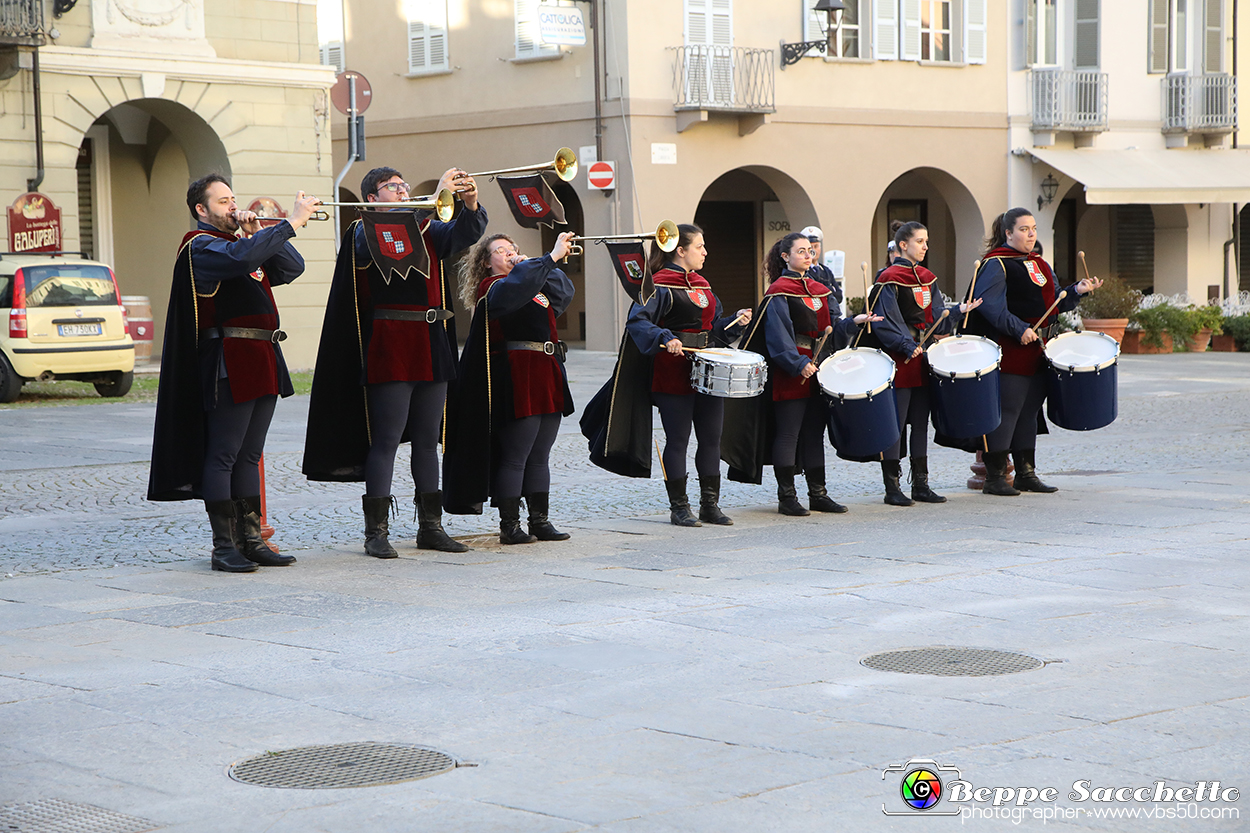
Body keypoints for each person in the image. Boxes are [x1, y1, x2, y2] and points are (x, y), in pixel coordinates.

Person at [302, 166, 487, 556]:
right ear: (372, 198)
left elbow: (462, 236)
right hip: (390, 343)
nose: (403, 191)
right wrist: (434, 200)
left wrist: (469, 205)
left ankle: (430, 527)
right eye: (393, 187)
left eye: (405, 186)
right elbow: (385, 247)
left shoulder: (429, 226)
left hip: (431, 340)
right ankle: (377, 533)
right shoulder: (361, 231)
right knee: (385, 439)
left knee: (426, 440)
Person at [148, 174, 318, 572]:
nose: (232, 206)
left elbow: (293, 267)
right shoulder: (201, 247)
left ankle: (251, 538)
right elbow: (240, 261)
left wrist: (260, 232)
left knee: (250, 454)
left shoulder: (242, 245)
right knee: (224, 454)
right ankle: (223, 546)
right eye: (223, 201)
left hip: (261, 355)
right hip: (229, 358)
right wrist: (289, 223)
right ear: (201, 210)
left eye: (232, 198)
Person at [723, 232, 878, 515]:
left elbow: (833, 328)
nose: (809, 255)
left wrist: (854, 322)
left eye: (810, 251)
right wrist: (797, 364)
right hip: (791, 371)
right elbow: (777, 338)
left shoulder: (819, 289)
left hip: (821, 369)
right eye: (802, 251)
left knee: (814, 433)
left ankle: (818, 494)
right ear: (786, 257)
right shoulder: (779, 292)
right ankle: (787, 497)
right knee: (789, 433)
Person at [442, 232, 577, 544]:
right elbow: (514, 290)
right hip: (519, 375)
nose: (508, 253)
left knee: (541, 454)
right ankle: (510, 525)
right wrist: (548, 259)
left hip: (547, 371)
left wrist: (537, 265)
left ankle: (540, 520)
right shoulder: (492, 288)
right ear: (487, 264)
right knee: (517, 454)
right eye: (499, 251)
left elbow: (562, 291)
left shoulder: (532, 282)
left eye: (512, 249)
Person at [963, 208, 1102, 495]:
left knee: (1029, 411)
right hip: (1011, 348)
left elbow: (1055, 302)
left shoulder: (1038, 263)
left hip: (1040, 349)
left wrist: (1077, 290)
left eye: (1033, 228)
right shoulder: (996, 264)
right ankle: (996, 477)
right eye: (1024, 229)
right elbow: (990, 306)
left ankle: (1026, 473)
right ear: (1008, 233)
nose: (1030, 234)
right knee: (1008, 410)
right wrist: (1018, 329)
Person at [621, 224, 752, 526]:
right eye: (700, 247)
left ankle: (710, 505)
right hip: (673, 372)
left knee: (711, 439)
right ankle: (679, 507)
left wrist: (736, 322)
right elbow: (638, 322)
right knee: (677, 440)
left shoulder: (703, 285)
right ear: (681, 250)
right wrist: (665, 337)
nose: (705, 252)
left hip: (708, 371)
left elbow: (713, 330)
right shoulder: (659, 285)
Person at [858, 220, 981, 506]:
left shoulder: (927, 277)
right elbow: (885, 321)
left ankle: (921, 484)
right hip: (901, 358)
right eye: (920, 242)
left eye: (926, 242)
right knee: (896, 423)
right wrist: (905, 345)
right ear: (903, 245)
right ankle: (892, 487)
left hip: (924, 356)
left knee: (920, 423)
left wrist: (957, 311)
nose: (925, 247)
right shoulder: (888, 278)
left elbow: (937, 315)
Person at [799, 225, 843, 315]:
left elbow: (839, 296)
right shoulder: (803, 271)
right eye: (811, 247)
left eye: (816, 246)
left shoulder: (826, 270)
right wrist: (830, 290)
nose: (814, 250)